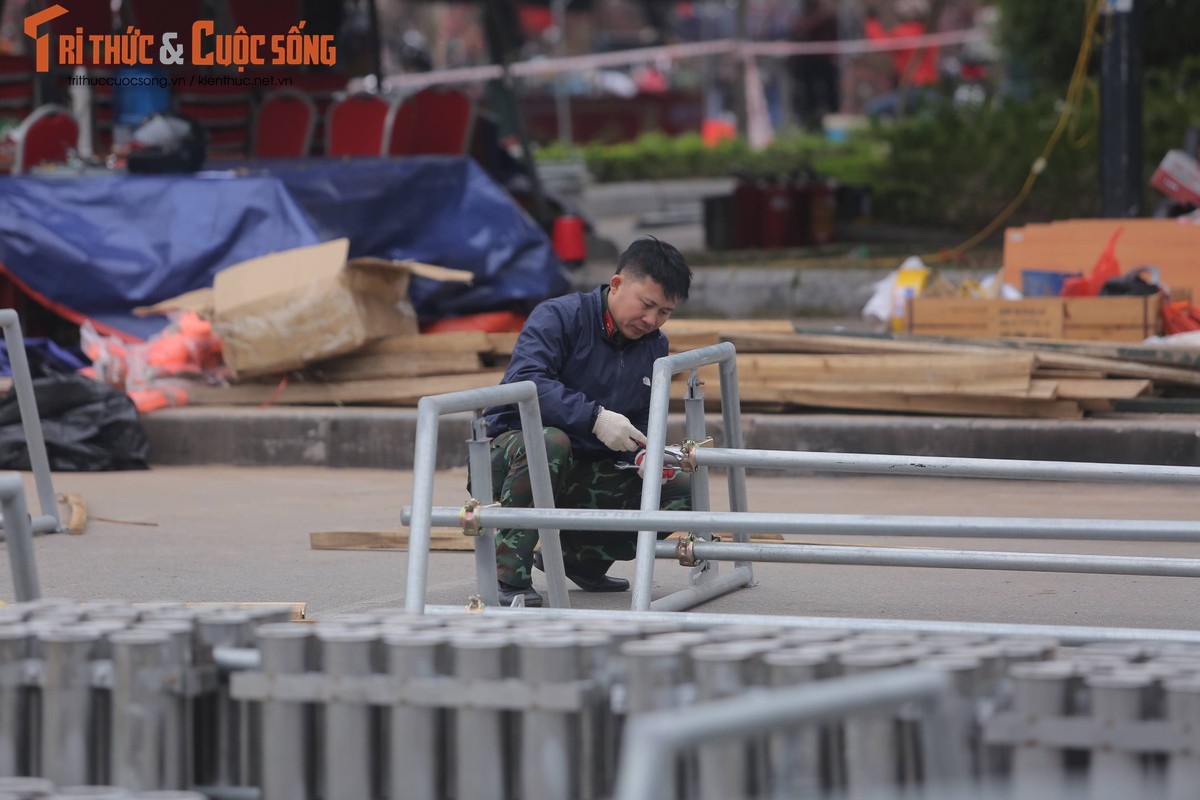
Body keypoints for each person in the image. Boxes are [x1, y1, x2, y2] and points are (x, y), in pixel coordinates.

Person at [481, 238, 694, 607]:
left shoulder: (653, 345)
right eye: (646, 305)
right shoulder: (559, 317)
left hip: (584, 465)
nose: (651, 321)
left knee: (681, 490)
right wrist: (592, 418)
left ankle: (575, 559)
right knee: (549, 442)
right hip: (514, 459)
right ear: (616, 285)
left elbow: (642, 418)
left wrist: (645, 455)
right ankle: (510, 578)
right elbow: (526, 382)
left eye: (664, 312)